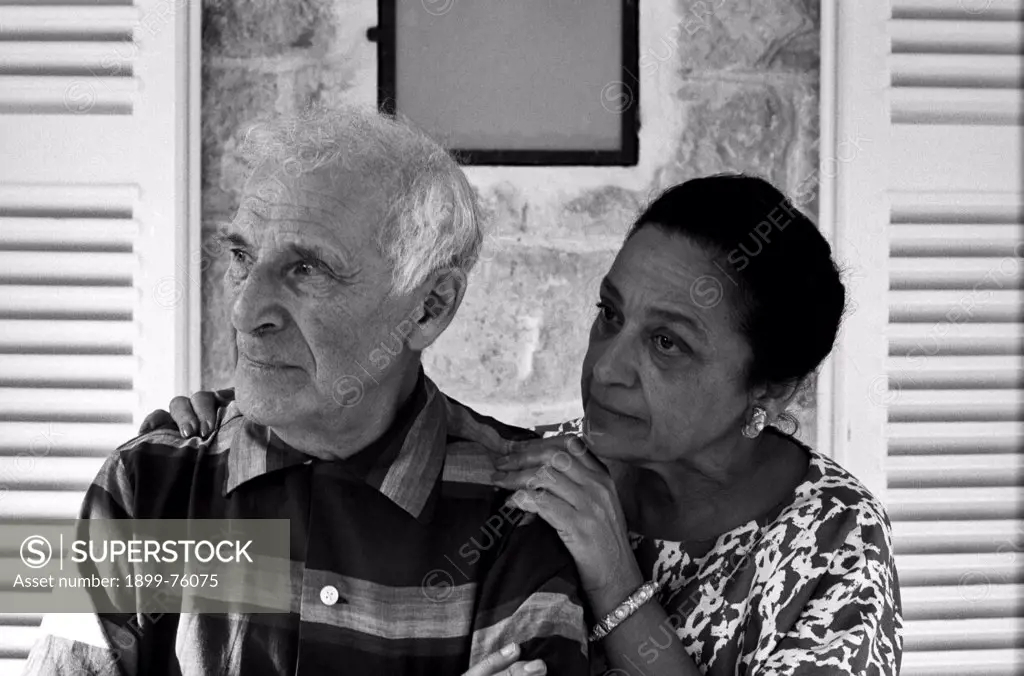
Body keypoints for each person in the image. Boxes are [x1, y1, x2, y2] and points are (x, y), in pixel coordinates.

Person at [151, 174, 905, 675]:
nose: (607, 366)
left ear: (768, 392)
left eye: (668, 344)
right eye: (609, 315)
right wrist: (264, 417)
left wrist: (615, 578)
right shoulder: (537, 471)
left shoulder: (836, 543)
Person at [23, 107, 591, 676]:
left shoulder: (517, 511)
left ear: (429, 306)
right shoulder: (148, 489)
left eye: (307, 269)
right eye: (242, 257)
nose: (246, 312)